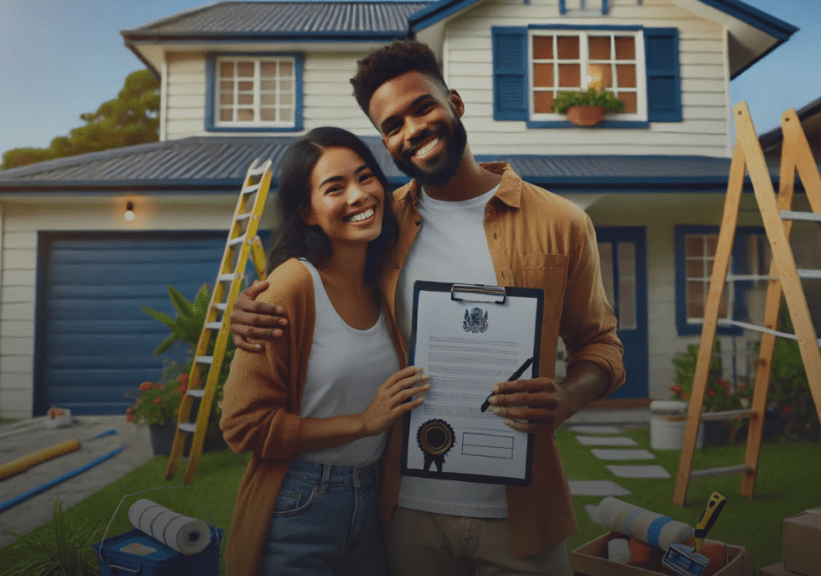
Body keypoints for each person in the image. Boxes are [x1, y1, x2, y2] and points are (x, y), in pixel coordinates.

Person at [229, 40, 626, 576]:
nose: (411, 129)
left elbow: (601, 345)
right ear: (385, 142)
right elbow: (317, 279)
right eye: (391, 125)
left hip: (523, 513)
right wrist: (252, 310)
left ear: (455, 103)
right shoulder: (378, 226)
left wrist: (569, 396)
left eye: (422, 107)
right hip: (403, 514)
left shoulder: (562, 223)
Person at [219, 126, 431, 576]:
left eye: (365, 177)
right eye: (335, 188)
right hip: (300, 503)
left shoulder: (385, 282)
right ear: (308, 213)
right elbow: (242, 426)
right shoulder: (292, 285)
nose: (358, 196)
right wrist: (363, 423)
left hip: (373, 502)